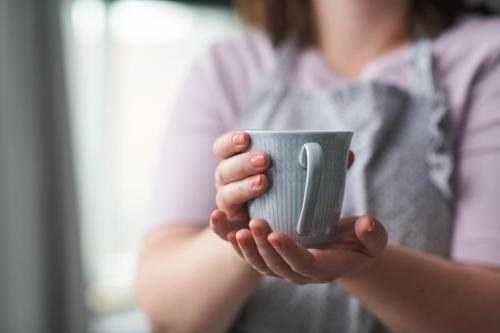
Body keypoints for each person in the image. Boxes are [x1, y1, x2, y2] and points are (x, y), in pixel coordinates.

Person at [135, 0, 500, 332]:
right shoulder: (225, 70)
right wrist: (247, 237)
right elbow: (168, 313)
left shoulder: (486, 57)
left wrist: (368, 267)